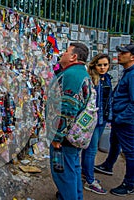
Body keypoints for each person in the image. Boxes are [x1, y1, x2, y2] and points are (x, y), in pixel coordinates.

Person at [46, 42, 92, 200]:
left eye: (66, 51)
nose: (62, 54)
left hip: (65, 138)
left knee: (63, 174)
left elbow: (67, 109)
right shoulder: (79, 73)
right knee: (72, 170)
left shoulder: (72, 75)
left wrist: (57, 137)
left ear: (74, 56)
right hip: (73, 136)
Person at [94, 44, 134, 196]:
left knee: (130, 152)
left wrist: (120, 117)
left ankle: (129, 184)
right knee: (115, 143)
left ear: (132, 57)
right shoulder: (128, 72)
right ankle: (108, 165)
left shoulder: (133, 74)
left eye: (123, 52)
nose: (119, 54)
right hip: (120, 120)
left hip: (126, 121)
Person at [81, 54, 113, 195]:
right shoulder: (91, 79)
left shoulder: (107, 79)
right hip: (93, 120)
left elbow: (108, 100)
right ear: (94, 65)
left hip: (102, 119)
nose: (102, 67)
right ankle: (90, 180)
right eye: (100, 65)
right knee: (91, 150)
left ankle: (85, 172)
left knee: (90, 150)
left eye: (105, 65)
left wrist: (108, 117)